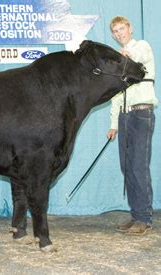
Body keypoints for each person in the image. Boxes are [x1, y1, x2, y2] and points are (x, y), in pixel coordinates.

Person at [107, 16, 158, 235]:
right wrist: (113, 124)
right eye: (115, 32)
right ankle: (136, 214)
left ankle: (145, 218)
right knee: (127, 167)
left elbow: (137, 58)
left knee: (138, 166)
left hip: (141, 113)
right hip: (124, 117)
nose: (119, 34)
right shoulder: (120, 57)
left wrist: (121, 57)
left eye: (122, 29)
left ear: (130, 28)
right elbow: (117, 95)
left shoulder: (141, 46)